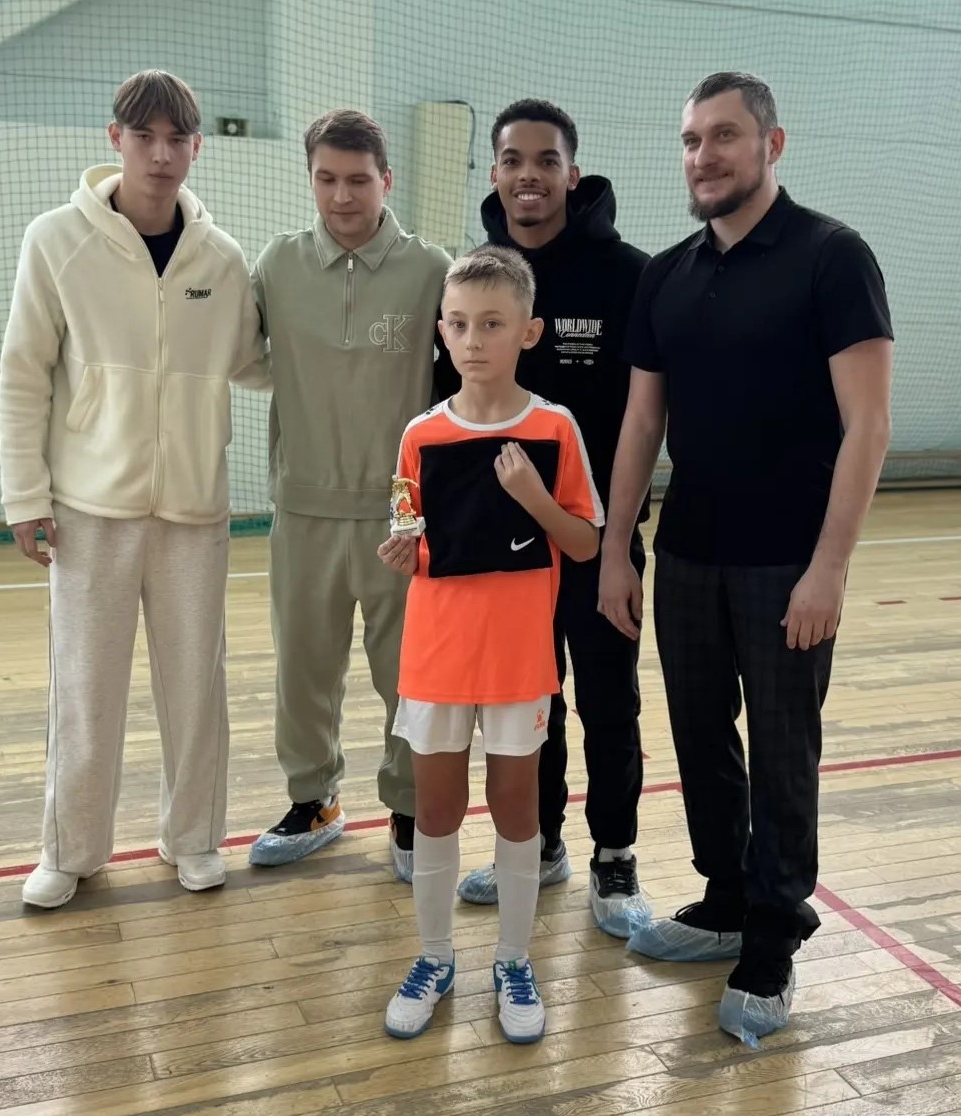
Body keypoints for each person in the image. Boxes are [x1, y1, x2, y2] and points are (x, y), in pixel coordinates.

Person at [598, 72, 893, 1043]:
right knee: (701, 739)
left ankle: (772, 939)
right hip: (688, 555)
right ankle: (726, 898)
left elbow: (868, 424)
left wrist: (830, 568)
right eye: (691, 140)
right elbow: (642, 423)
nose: (704, 156)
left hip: (787, 564)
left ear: (772, 144)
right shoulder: (667, 274)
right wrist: (616, 550)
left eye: (724, 136)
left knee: (783, 754)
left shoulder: (832, 258)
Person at [0, 70, 269, 910]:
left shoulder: (222, 260)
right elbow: (23, 374)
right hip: (88, 513)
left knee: (196, 691)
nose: (160, 154)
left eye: (176, 138)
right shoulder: (55, 241)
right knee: (85, 690)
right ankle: (70, 850)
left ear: (196, 147)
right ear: (114, 139)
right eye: (144, 136)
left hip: (194, 513)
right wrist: (25, 496)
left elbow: (257, 361)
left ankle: (194, 839)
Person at [379, 245, 605, 1043]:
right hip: (436, 658)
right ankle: (434, 957)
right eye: (459, 324)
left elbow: (584, 542)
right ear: (441, 330)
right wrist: (402, 551)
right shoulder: (419, 434)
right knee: (437, 810)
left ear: (529, 332)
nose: (473, 340)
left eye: (493, 324)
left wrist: (533, 497)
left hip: (517, 662)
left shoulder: (554, 427)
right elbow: (412, 534)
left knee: (517, 810)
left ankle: (514, 959)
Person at [439, 99, 651, 937]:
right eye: (513, 160)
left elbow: (644, 422)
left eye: (546, 160)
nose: (529, 175)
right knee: (532, 705)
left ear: (572, 171)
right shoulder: (474, 277)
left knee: (609, 702)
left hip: (601, 543)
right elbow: (453, 415)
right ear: (494, 172)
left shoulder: (629, 276)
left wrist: (620, 544)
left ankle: (615, 856)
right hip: (509, 549)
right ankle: (545, 844)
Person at [246, 110, 455, 881]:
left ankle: (408, 807)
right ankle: (314, 801)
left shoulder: (431, 269)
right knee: (303, 671)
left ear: (386, 180)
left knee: (407, 676)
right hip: (303, 509)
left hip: (401, 517)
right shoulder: (277, 264)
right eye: (327, 179)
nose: (342, 196)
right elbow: (237, 354)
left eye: (359, 180)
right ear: (310, 179)